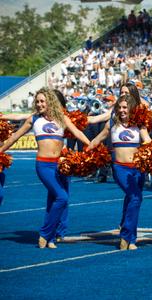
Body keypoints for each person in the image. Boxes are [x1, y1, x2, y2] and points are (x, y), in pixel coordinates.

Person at [0, 88, 90, 249]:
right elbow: (15, 137)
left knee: (53, 200)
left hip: (59, 165)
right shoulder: (33, 119)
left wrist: (92, 146)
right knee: (62, 197)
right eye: (38, 101)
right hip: (43, 165)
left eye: (43, 101)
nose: (40, 104)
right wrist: (0, 151)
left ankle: (51, 238)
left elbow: (77, 133)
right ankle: (45, 233)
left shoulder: (62, 118)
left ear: (50, 102)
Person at [88, 94, 151, 250]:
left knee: (135, 200)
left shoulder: (139, 124)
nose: (122, 110)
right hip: (120, 168)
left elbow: (148, 141)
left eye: (125, 107)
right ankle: (125, 236)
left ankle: (132, 238)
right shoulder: (111, 124)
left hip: (138, 169)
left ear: (131, 109)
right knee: (134, 197)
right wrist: (85, 152)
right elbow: (98, 139)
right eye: (120, 107)